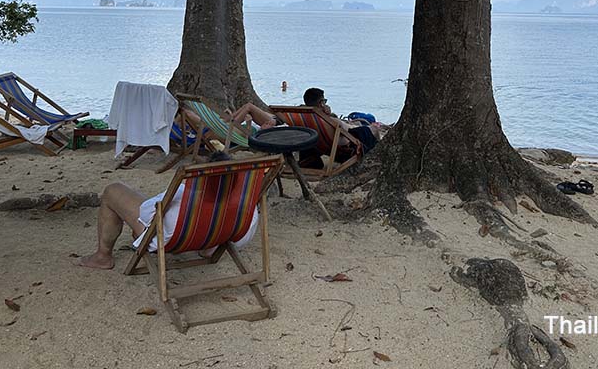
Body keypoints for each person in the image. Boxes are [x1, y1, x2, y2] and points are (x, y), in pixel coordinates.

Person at [76, 153, 258, 270]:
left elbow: (146, 213)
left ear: (204, 178)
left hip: (168, 240)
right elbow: (245, 235)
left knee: (113, 191)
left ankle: (102, 257)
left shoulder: (184, 195)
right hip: (217, 236)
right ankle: (208, 249)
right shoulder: (247, 205)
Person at [299, 87, 380, 168]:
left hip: (317, 145)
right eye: (324, 101)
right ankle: (377, 157)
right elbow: (346, 129)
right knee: (372, 129)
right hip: (340, 148)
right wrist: (329, 116)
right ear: (321, 103)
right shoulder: (329, 121)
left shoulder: (301, 118)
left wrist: (326, 115)